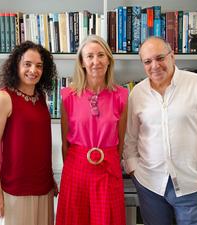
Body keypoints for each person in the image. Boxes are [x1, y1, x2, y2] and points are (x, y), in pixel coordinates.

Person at [123, 37, 197, 225]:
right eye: (147, 61)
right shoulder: (137, 93)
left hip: (190, 182)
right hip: (149, 184)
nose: (155, 65)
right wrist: (134, 170)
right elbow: (130, 137)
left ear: (172, 56)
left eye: (160, 58)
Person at [55, 35, 128, 225]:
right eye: (90, 56)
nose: (96, 61)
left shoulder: (122, 95)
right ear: (82, 62)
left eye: (101, 55)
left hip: (108, 169)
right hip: (75, 169)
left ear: (109, 60)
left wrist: (108, 158)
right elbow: (65, 144)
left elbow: (121, 141)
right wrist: (75, 165)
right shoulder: (68, 96)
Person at [0, 41, 58, 225]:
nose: (33, 70)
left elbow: (41, 143)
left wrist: (50, 179)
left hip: (44, 188)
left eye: (39, 66)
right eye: (27, 64)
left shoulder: (41, 97)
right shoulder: (3, 97)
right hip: (13, 190)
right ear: (16, 64)